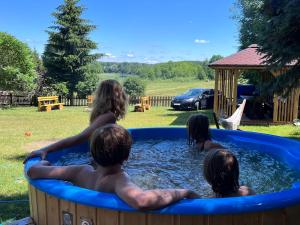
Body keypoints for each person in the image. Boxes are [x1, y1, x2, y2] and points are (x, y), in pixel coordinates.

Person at [27, 124, 199, 210]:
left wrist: (44, 161)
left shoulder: (80, 171)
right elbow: (142, 201)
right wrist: (183, 192)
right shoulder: (118, 180)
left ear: (92, 153)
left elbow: (33, 171)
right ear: (127, 156)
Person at [24, 79, 127, 163]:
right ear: (116, 96)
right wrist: (45, 149)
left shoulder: (100, 114)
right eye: (121, 91)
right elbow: (80, 137)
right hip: (105, 162)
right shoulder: (109, 116)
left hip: (100, 160)